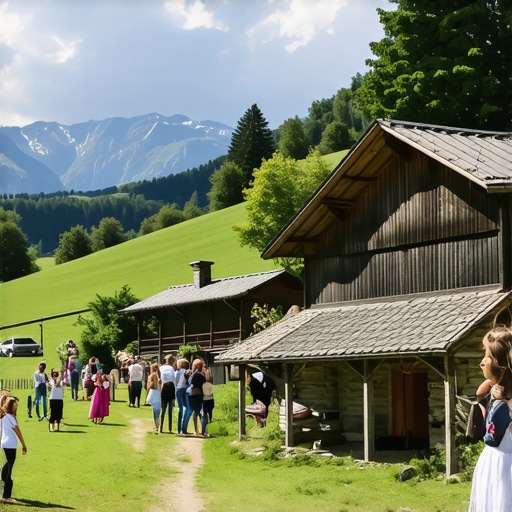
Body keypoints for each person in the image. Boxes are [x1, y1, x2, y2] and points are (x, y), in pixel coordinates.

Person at [469, 326, 512, 511]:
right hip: (490, 463)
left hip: (506, 469)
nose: (482, 362)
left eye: (487, 356)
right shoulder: (493, 390)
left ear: (499, 362)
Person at [0, 396, 27, 504]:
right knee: (9, 466)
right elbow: (17, 431)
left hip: (4, 443)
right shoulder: (11, 417)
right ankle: (6, 496)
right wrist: (24, 445)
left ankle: (3, 477)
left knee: (8, 463)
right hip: (11, 444)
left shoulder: (3, 416)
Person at [182, 359, 206, 437]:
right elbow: (203, 384)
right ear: (198, 366)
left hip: (189, 394)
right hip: (198, 395)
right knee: (197, 412)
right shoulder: (200, 375)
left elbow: (187, 382)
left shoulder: (190, 374)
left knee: (188, 412)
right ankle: (199, 431)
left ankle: (184, 429)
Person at [159, 354, 176, 433]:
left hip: (163, 387)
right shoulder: (172, 368)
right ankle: (170, 429)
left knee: (163, 409)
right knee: (170, 410)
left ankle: (160, 428)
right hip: (171, 387)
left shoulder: (161, 368)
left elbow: (159, 378)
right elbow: (173, 379)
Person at [175, 359, 190, 435]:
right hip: (185, 389)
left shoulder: (178, 372)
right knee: (186, 408)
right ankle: (183, 428)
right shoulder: (186, 372)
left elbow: (176, 383)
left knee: (180, 409)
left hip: (178, 390)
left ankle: (179, 428)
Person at [146, 363, 161, 434]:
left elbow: (150, 386)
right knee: (158, 411)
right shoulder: (160, 376)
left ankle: (156, 425)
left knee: (155, 411)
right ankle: (157, 425)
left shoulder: (151, 376)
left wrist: (147, 392)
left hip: (153, 393)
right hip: (159, 393)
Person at [201, 370, 214, 437]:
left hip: (204, 400)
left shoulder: (203, 385)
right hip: (210, 399)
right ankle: (208, 429)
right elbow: (212, 392)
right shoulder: (211, 385)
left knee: (204, 415)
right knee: (210, 414)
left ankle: (204, 430)